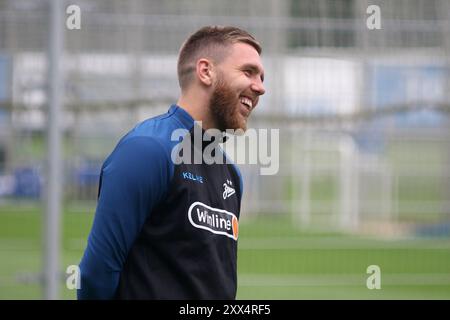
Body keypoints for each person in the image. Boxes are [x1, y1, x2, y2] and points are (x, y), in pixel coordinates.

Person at [78, 25, 265, 300]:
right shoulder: (147, 150)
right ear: (206, 71)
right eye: (248, 72)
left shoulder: (231, 174)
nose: (260, 87)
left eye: (261, 77)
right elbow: (96, 274)